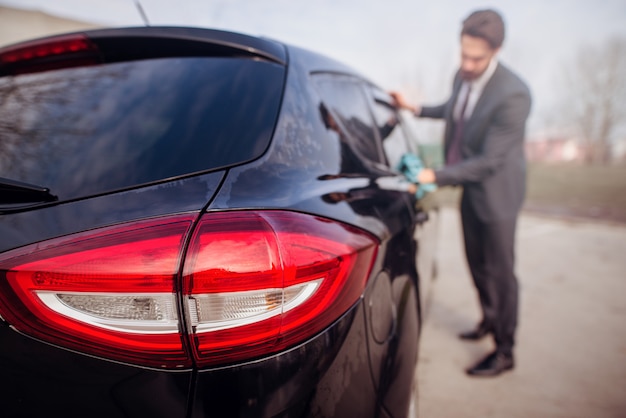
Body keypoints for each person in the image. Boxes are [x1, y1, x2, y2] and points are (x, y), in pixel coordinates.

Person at [391, 9, 531, 377]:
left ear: (496, 50)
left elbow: (489, 161)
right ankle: (488, 318)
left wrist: (432, 174)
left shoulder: (514, 94)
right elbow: (454, 111)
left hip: (498, 193)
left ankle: (505, 349)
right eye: (463, 54)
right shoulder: (461, 76)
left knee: (500, 272)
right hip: (470, 187)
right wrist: (416, 108)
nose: (467, 64)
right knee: (477, 263)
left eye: (476, 58)